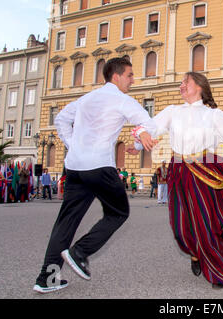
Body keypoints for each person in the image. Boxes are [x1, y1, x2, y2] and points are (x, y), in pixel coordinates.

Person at [128, 72, 223, 289]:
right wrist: (140, 141)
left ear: (200, 86)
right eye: (182, 82)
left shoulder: (213, 115)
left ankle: (217, 271)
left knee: (206, 222)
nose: (182, 85)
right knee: (180, 225)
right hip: (178, 171)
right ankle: (195, 253)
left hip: (206, 170)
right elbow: (150, 126)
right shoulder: (172, 111)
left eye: (187, 81)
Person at [33, 57, 157, 294]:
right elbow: (145, 123)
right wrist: (140, 142)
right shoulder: (122, 100)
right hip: (99, 166)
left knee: (65, 222)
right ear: (116, 76)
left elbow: (60, 120)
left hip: (75, 167)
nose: (133, 80)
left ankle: (46, 280)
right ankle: (80, 252)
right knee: (118, 212)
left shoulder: (87, 98)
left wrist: (74, 144)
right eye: (130, 75)